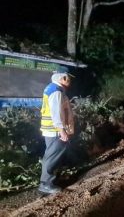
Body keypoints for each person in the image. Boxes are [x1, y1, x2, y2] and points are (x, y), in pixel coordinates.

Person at [38, 66, 74, 194]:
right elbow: (56, 113)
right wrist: (62, 130)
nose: (70, 81)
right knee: (52, 156)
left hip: (52, 129)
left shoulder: (53, 88)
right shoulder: (56, 91)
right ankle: (46, 184)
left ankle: (49, 181)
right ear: (63, 77)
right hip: (54, 130)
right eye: (69, 78)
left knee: (52, 155)